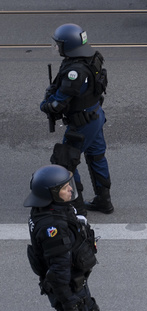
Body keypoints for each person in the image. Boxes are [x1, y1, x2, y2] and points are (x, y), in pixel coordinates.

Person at [18, 165, 131, 311]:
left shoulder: (50, 209)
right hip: (65, 286)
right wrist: (69, 304)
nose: (70, 190)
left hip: (74, 280)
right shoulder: (53, 227)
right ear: (50, 193)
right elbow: (58, 271)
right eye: (64, 188)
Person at [40, 24, 112, 214]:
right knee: (96, 157)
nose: (57, 48)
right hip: (95, 115)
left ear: (69, 46)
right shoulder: (89, 58)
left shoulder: (75, 72)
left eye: (59, 45)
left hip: (82, 122)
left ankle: (76, 207)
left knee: (65, 161)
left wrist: (46, 104)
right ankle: (104, 201)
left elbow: (59, 102)